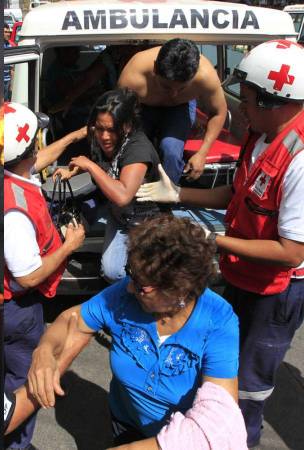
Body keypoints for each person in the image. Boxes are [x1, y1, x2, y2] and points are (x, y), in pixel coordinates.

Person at [135, 40, 304, 448]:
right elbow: (237, 193)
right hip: (245, 275)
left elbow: (291, 252)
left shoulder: (299, 159)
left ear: (275, 101)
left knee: (246, 387)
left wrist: (214, 240)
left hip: (276, 292)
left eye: (246, 101)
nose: (239, 110)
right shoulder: (264, 135)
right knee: (221, 365)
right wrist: (177, 195)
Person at [27, 215, 243, 448]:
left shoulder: (219, 321)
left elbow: (217, 422)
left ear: (179, 288)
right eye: (131, 273)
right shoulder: (124, 295)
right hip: (126, 424)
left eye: (141, 286)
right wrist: (45, 349)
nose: (130, 287)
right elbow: (74, 319)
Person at [4, 101, 86, 450]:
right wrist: (69, 246)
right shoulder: (13, 209)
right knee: (25, 383)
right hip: (16, 310)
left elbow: (38, 159)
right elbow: (29, 277)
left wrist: (74, 137)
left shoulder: (5, 171)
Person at [54, 88, 162, 283]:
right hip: (117, 215)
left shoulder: (137, 150)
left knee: (130, 274)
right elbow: (107, 167)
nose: (103, 136)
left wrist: (89, 165)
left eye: (111, 130)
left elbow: (122, 196)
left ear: (127, 126)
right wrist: (73, 171)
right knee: (111, 271)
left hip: (145, 222)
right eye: (99, 128)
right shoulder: (104, 139)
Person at [118, 38, 228, 183]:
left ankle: (166, 199)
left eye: (182, 88)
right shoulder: (134, 76)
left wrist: (202, 153)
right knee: (137, 149)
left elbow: (219, 112)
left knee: (171, 151)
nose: (173, 94)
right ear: (155, 68)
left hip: (180, 108)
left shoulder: (206, 77)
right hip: (142, 109)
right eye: (166, 87)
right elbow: (118, 114)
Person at [4, 24, 14, 101]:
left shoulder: (9, 46)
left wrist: (12, 82)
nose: (8, 34)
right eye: (5, 32)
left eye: (9, 32)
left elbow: (11, 67)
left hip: (7, 80)